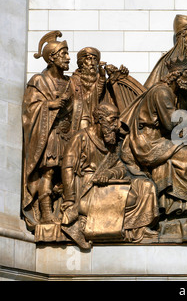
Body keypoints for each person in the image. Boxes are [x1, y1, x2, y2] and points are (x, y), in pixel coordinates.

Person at [120, 55, 187, 217]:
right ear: (176, 75)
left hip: (157, 139)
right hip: (149, 143)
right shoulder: (162, 92)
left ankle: (182, 203)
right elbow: (171, 124)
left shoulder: (169, 92)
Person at [60, 102, 158, 249]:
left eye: (117, 119)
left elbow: (120, 166)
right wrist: (69, 199)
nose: (117, 125)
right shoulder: (81, 138)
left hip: (109, 183)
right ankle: (84, 216)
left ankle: (140, 228)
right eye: (113, 119)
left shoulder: (111, 141)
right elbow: (67, 168)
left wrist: (110, 172)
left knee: (146, 186)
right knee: (129, 198)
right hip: (87, 188)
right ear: (100, 119)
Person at [22, 30, 72, 228]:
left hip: (68, 134)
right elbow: (30, 109)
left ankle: (65, 208)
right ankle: (46, 212)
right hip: (49, 133)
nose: (68, 58)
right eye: (64, 54)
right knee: (49, 173)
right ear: (52, 58)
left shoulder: (70, 82)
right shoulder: (38, 81)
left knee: (67, 172)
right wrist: (51, 104)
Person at [69, 47, 107, 133]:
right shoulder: (74, 80)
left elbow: (98, 94)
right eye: (89, 59)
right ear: (82, 62)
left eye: (95, 59)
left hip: (94, 115)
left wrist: (102, 76)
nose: (92, 63)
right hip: (80, 116)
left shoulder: (98, 78)